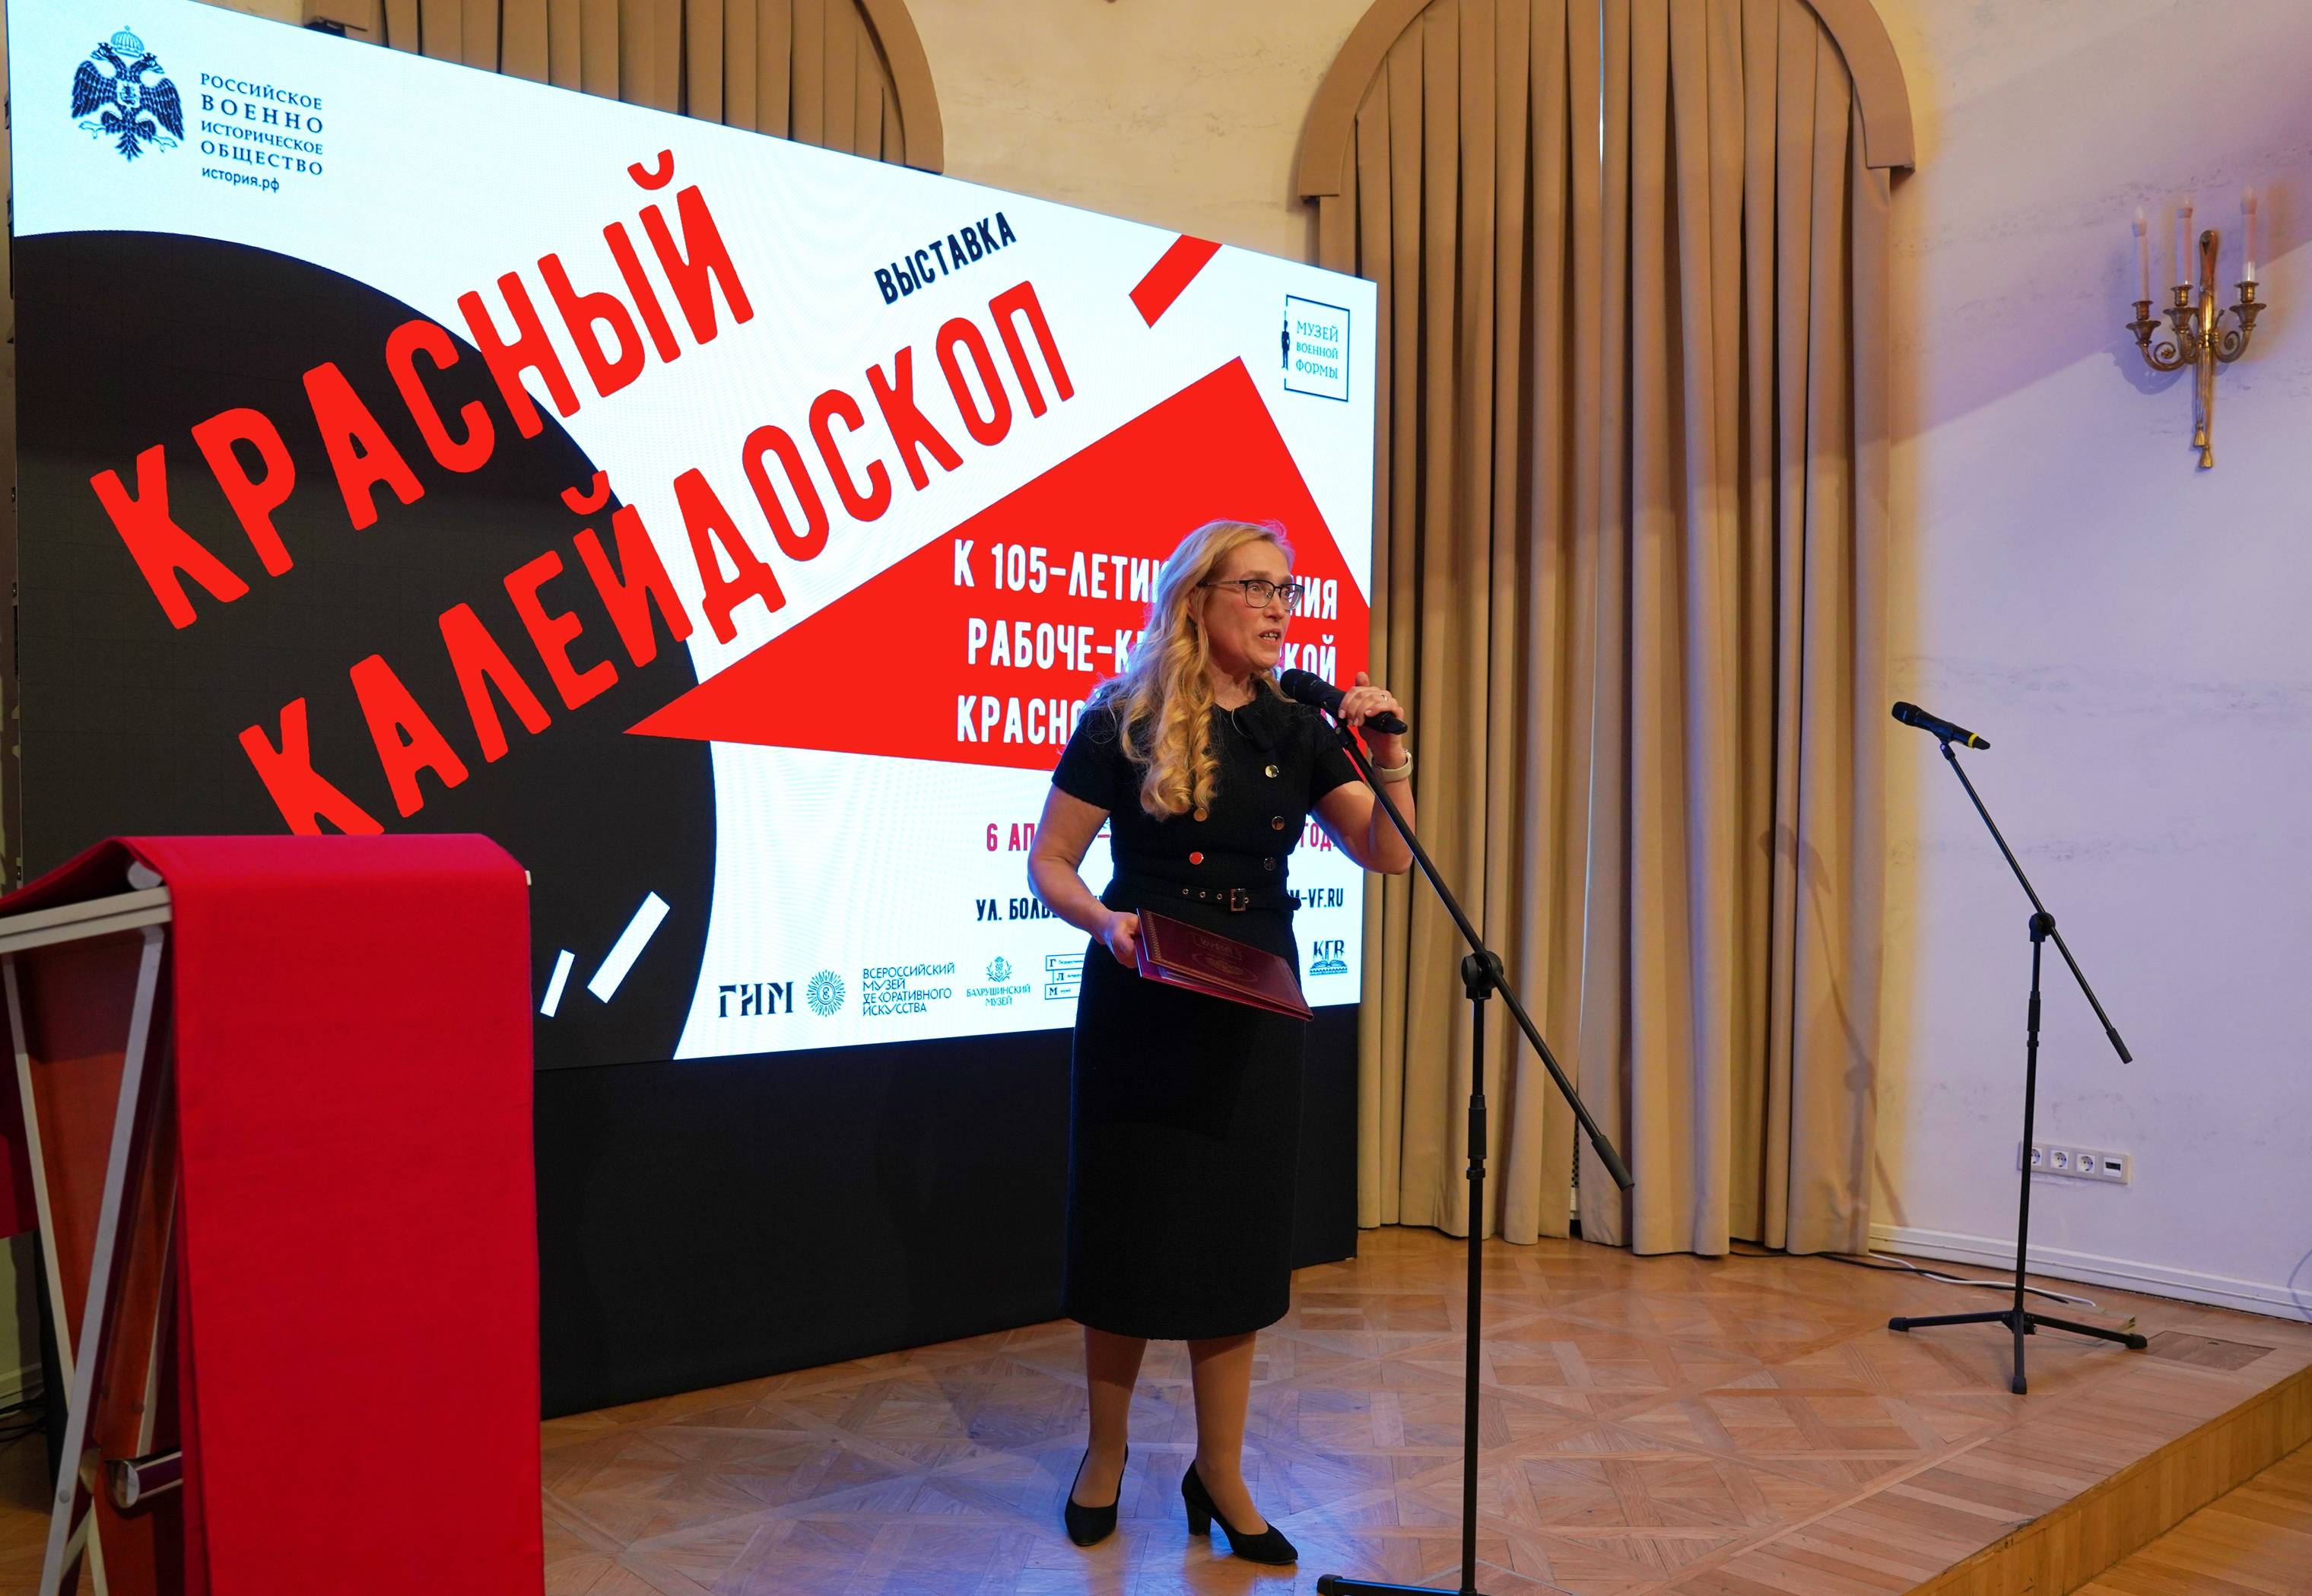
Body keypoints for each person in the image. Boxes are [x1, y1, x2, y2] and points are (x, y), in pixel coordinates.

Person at [1027, 519, 1414, 1564]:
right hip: (1144, 993)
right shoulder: (1121, 720)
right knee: (1129, 1229)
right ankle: (1105, 1456)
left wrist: (1390, 756)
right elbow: (1051, 861)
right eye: (1257, 587)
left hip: (1254, 1000)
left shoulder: (1297, 727)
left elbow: (1386, 853)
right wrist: (1104, 923)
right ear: (1197, 600)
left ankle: (1222, 1472)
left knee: (1234, 1240)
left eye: (1288, 589)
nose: (1280, 607)